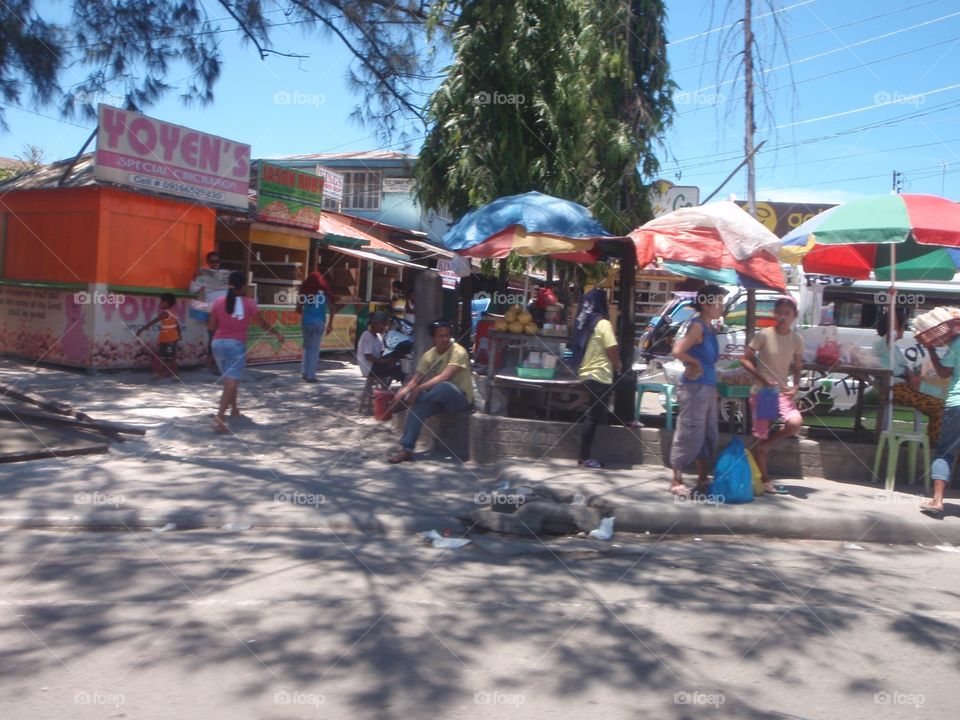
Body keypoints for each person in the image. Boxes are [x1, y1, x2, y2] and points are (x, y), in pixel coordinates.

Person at [741, 296, 805, 495]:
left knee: (795, 423)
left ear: (794, 316)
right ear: (774, 314)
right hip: (763, 392)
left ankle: (766, 447)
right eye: (779, 313)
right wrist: (761, 377)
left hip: (781, 393)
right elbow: (745, 360)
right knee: (761, 435)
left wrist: (795, 384)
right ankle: (765, 480)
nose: (782, 317)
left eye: (787, 314)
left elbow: (798, 364)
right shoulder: (763, 335)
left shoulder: (796, 339)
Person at [387, 319, 473, 463]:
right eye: (441, 336)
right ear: (433, 338)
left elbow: (445, 376)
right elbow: (415, 380)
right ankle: (406, 450)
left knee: (444, 386)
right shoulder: (429, 355)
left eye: (447, 335)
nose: (445, 339)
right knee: (418, 409)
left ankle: (410, 401)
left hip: (460, 400)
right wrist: (402, 392)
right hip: (437, 399)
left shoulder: (459, 351)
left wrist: (417, 391)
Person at [208, 271, 284, 434]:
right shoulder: (249, 303)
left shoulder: (218, 302)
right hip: (235, 345)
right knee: (231, 381)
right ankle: (220, 418)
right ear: (243, 286)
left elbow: (211, 326)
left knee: (231, 379)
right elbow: (262, 323)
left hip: (217, 344)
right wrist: (277, 333)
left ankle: (234, 408)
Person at [669, 285, 725, 496]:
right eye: (718, 302)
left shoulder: (709, 327)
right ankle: (676, 480)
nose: (721, 306)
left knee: (707, 433)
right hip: (694, 388)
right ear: (705, 303)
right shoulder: (697, 326)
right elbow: (677, 351)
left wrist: (713, 388)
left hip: (707, 388)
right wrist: (694, 363)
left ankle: (702, 477)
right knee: (688, 431)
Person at [874, 306, 944, 445]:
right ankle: (936, 445)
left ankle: (935, 441)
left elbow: (908, 371)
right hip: (894, 389)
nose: (902, 330)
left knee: (942, 402)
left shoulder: (895, 349)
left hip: (905, 387)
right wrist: (891, 302)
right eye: (902, 326)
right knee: (939, 407)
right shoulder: (883, 344)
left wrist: (917, 376)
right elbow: (892, 331)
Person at [570, 288, 622, 468]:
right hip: (600, 374)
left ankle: (584, 457)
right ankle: (584, 458)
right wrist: (618, 365)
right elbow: (612, 348)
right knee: (592, 416)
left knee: (592, 414)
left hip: (586, 372)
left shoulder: (585, 322)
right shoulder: (603, 324)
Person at [918, 334, 960, 518]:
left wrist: (930, 350)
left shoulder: (958, 342)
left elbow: (943, 373)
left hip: (957, 404)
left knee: (945, 453)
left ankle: (937, 500)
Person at [190, 251, 228, 372]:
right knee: (213, 338)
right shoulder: (204, 275)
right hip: (212, 310)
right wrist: (195, 277)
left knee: (224, 338)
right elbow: (192, 290)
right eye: (212, 261)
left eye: (217, 261)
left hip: (225, 310)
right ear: (208, 263)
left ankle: (220, 364)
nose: (215, 264)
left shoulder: (224, 275)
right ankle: (212, 365)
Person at [296, 271, 336, 383]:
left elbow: (298, 309)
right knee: (314, 349)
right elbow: (333, 309)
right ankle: (311, 375)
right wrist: (330, 324)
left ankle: (304, 371)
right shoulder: (324, 294)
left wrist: (305, 309)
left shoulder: (305, 293)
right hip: (319, 324)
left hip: (306, 323)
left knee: (307, 348)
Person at [136, 292, 181, 379]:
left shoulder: (165, 313)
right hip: (168, 339)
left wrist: (141, 329)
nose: (160, 303)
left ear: (167, 302)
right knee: (171, 357)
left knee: (167, 358)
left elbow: (153, 322)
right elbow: (177, 325)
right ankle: (176, 374)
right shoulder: (174, 313)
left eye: (161, 301)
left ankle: (159, 373)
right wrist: (179, 334)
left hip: (169, 340)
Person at [357, 311, 404, 386]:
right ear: (375, 324)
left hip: (375, 365)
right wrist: (384, 361)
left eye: (386, 325)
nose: (385, 327)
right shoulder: (366, 335)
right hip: (369, 367)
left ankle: (378, 389)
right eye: (383, 324)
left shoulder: (379, 337)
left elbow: (382, 352)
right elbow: (368, 357)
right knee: (396, 371)